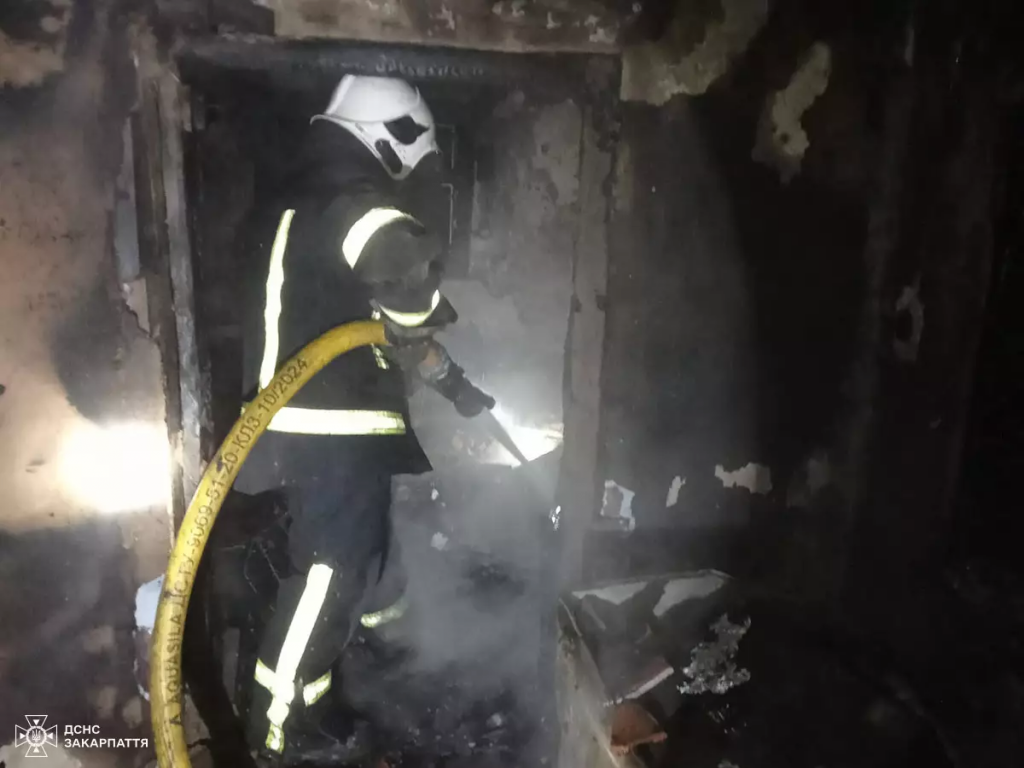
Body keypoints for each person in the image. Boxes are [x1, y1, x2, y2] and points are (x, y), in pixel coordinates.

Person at [232, 75, 494, 761]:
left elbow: (388, 331)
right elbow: (403, 278)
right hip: (325, 423)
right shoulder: (348, 198)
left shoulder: (310, 197)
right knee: (332, 573)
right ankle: (278, 731)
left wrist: (455, 386)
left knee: (372, 566)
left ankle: (374, 663)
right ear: (390, 136)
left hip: (327, 423)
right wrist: (421, 305)